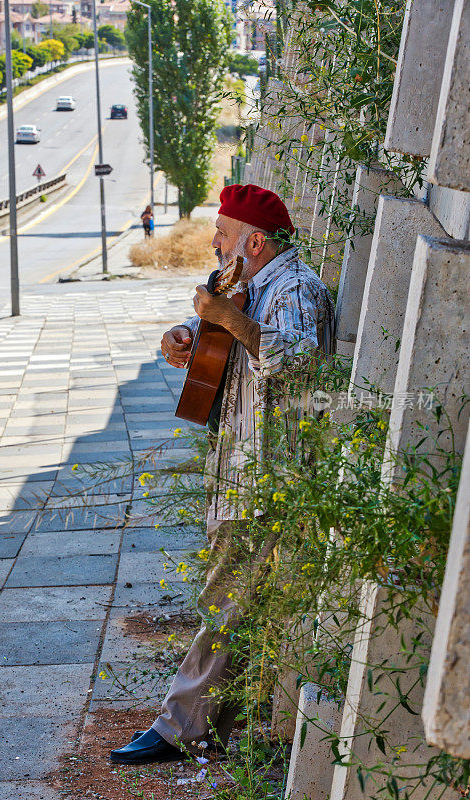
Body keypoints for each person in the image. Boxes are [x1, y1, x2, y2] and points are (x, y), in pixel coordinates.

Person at [110, 183, 335, 766]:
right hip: (238, 469)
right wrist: (184, 337)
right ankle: (220, 725)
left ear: (255, 242)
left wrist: (224, 318)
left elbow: (300, 357)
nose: (213, 243)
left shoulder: (295, 288)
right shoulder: (242, 285)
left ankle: (178, 727)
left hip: (270, 475)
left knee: (226, 598)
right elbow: (210, 329)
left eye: (224, 235)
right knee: (238, 602)